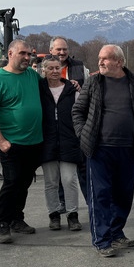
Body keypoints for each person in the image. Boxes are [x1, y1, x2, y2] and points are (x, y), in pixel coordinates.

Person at [72, 45, 134, 257]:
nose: (100, 62)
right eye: (100, 58)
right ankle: (102, 240)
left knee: (123, 195)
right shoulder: (93, 82)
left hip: (128, 149)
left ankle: (116, 233)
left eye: (105, 58)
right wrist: (83, 134)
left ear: (119, 61)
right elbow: (78, 111)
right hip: (99, 150)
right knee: (100, 196)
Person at [0, 40, 43, 244]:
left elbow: (51, 87)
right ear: (10, 54)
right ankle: (3, 223)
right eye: (22, 53)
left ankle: (17, 218)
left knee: (24, 183)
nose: (27, 57)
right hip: (11, 143)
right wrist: (0, 141)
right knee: (11, 182)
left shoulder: (32, 75)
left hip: (34, 142)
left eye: (29, 54)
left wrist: (71, 84)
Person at [40, 55, 83, 232]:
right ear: (44, 71)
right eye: (50, 68)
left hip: (69, 140)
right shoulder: (39, 89)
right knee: (51, 182)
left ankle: (73, 215)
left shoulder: (72, 89)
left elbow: (81, 112)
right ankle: (54, 214)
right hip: (47, 141)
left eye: (57, 67)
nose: (54, 71)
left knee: (69, 179)